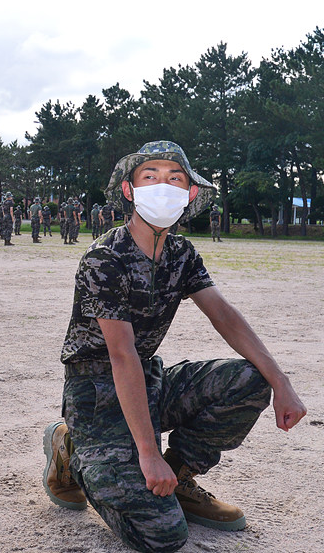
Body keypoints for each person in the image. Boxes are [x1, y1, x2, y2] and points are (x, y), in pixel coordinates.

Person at [42, 141, 306, 553]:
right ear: (130, 190)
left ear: (190, 194)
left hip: (146, 379)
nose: (163, 187)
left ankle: (178, 476)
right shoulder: (104, 258)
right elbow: (121, 353)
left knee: (250, 380)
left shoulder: (181, 253)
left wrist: (282, 382)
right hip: (95, 393)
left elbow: (223, 315)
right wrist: (148, 455)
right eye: (151, 177)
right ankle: (71, 446)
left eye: (175, 179)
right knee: (161, 535)